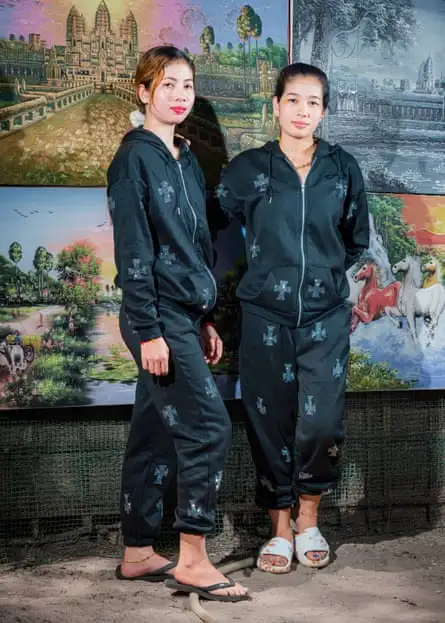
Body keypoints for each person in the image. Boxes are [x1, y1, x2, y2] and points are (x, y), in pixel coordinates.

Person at [107, 45, 249, 602]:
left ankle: (139, 551)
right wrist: (149, 331)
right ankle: (193, 560)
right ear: (143, 92)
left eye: (187, 85)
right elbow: (134, 251)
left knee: (153, 431)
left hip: (184, 314)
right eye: (167, 84)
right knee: (208, 427)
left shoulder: (186, 157)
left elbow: (194, 245)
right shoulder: (133, 159)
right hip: (156, 316)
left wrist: (204, 317)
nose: (179, 94)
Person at [215, 62, 369, 573]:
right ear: (276, 105)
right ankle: (279, 529)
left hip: (325, 316)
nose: (303, 111)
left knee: (321, 422)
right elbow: (209, 225)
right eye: (294, 100)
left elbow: (354, 239)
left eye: (314, 102)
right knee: (269, 420)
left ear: (324, 111)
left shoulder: (342, 169)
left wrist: (321, 278)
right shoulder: (247, 168)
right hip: (264, 316)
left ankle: (309, 520)